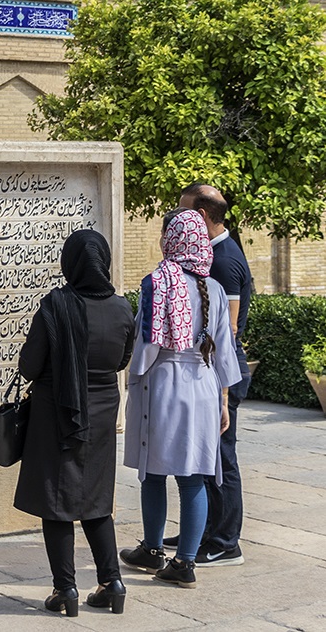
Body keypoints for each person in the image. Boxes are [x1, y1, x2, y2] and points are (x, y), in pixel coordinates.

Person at [13, 229, 135, 617]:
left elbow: (29, 365)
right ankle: (112, 583)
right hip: (101, 414)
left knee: (58, 502)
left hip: (57, 414)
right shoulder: (122, 307)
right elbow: (121, 361)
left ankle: (65, 589)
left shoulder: (55, 305)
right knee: (96, 498)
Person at [121, 208, 240, 589]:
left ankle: (153, 548)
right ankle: (185, 562)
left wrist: (133, 379)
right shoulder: (215, 289)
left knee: (154, 473)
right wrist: (223, 400)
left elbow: (147, 345)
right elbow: (224, 350)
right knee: (193, 480)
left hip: (166, 385)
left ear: (171, 240)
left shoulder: (157, 283)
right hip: (204, 386)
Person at [169, 183, 251, 567]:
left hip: (219, 373)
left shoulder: (221, 260)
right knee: (203, 457)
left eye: (183, 212)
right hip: (209, 372)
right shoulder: (213, 256)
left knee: (221, 457)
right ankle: (200, 530)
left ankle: (224, 540)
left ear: (201, 216)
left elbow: (227, 330)